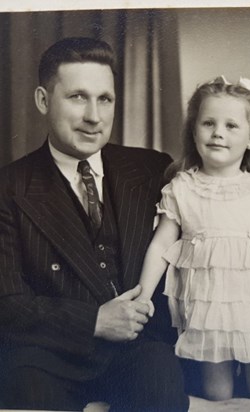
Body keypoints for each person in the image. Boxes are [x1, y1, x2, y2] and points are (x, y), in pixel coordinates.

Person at [0, 37, 189, 411]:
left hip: (139, 350)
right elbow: (6, 301)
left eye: (105, 99)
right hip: (47, 356)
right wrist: (93, 320)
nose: (94, 116)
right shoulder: (9, 187)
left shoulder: (153, 169)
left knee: (162, 386)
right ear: (43, 100)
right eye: (77, 97)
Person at [138, 75, 250, 401]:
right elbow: (161, 245)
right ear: (194, 132)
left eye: (231, 126)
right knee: (217, 396)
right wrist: (143, 295)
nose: (218, 132)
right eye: (208, 123)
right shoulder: (181, 188)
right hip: (208, 316)